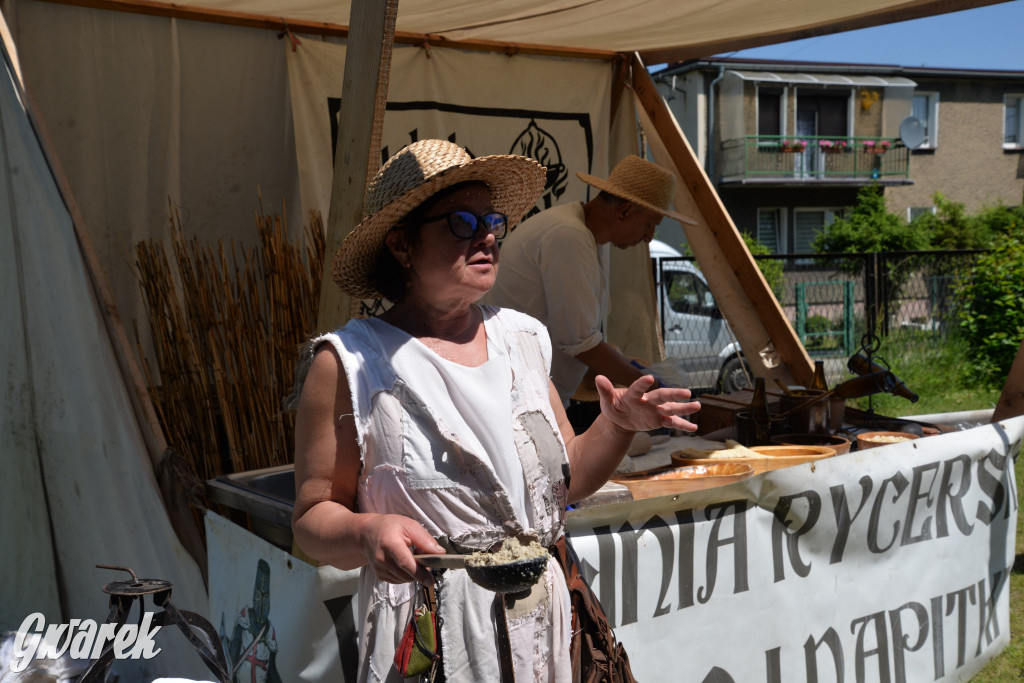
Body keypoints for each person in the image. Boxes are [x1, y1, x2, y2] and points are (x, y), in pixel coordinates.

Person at [291, 139, 700, 682]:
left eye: (491, 220)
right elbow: (312, 517)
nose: (485, 234)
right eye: (461, 222)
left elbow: (567, 481)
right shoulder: (349, 362)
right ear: (401, 245)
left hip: (542, 634)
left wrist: (618, 423)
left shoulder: (523, 337)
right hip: (434, 640)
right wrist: (366, 531)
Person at [483, 155, 697, 429]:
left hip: (535, 396)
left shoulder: (587, 235)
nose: (649, 237)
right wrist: (648, 386)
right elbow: (580, 342)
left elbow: (580, 336)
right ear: (624, 212)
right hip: (516, 401)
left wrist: (630, 369)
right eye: (650, 224)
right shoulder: (568, 235)